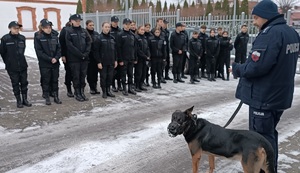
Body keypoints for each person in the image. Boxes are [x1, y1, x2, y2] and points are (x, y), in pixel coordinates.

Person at [231, 1, 300, 172]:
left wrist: (237, 68)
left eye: (255, 18)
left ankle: (265, 170)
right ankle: (271, 168)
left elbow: (257, 67)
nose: (253, 22)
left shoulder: (270, 34)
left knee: (259, 140)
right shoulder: (291, 32)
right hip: (279, 96)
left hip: (264, 97)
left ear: (266, 17)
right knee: (269, 136)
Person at [0, 21, 32, 108]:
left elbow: (22, 50)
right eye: (15, 28)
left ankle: (25, 99)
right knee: (15, 83)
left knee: (24, 82)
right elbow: (2, 52)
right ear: (10, 28)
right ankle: (18, 100)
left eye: (18, 28)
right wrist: (8, 62)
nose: (17, 30)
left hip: (22, 64)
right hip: (12, 66)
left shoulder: (22, 38)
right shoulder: (5, 39)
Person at [34, 19, 62, 105]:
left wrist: (56, 58)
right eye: (46, 27)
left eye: (49, 27)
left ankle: (56, 96)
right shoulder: (39, 37)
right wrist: (50, 59)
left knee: (55, 80)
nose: (48, 29)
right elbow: (39, 52)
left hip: (55, 63)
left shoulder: (54, 36)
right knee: (46, 80)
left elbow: (59, 49)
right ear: (42, 28)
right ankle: (47, 97)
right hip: (45, 63)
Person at [65, 14, 92, 102]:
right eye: (76, 20)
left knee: (82, 76)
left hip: (84, 58)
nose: (78, 22)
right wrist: (80, 54)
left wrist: (86, 53)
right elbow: (69, 45)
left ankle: (82, 92)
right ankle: (77, 93)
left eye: (79, 20)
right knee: (76, 76)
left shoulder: (84, 31)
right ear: (72, 21)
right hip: (74, 59)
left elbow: (89, 42)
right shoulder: (68, 31)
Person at [94, 22, 118, 98]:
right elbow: (96, 51)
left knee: (110, 77)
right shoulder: (99, 38)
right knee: (103, 77)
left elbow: (115, 50)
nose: (107, 28)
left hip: (111, 61)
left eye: (108, 27)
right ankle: (104, 91)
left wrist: (115, 60)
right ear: (102, 27)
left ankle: (108, 90)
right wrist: (98, 62)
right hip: (103, 62)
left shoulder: (112, 38)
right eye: (106, 27)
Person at [117, 18, 137, 96]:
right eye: (126, 24)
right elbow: (118, 48)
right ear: (123, 24)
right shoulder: (120, 34)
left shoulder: (132, 35)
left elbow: (135, 48)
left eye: (129, 24)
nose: (128, 26)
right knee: (123, 74)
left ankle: (130, 88)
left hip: (131, 58)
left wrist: (135, 58)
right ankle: (124, 88)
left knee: (130, 74)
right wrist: (120, 59)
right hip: (124, 59)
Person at [59, 19, 74, 97]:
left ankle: (77, 89)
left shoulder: (78, 30)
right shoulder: (65, 30)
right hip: (67, 55)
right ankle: (69, 89)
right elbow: (61, 43)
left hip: (76, 55)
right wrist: (63, 55)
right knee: (69, 72)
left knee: (76, 73)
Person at [86, 20, 100, 95]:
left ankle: (95, 87)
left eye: (93, 25)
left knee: (95, 73)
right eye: (90, 25)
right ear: (87, 25)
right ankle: (91, 87)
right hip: (88, 57)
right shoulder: (84, 33)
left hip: (96, 56)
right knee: (90, 73)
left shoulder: (96, 34)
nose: (92, 27)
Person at [134, 25, 150, 91]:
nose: (142, 31)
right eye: (141, 29)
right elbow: (137, 49)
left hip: (144, 59)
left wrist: (148, 55)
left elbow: (147, 48)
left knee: (144, 72)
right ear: (138, 30)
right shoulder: (137, 38)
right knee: (138, 73)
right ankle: (136, 85)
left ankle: (141, 84)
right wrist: (144, 56)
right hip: (139, 58)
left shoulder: (145, 38)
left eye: (143, 30)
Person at [110, 16, 122, 92]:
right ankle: (113, 85)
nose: (115, 23)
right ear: (111, 22)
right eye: (114, 22)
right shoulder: (109, 30)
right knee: (113, 71)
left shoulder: (120, 31)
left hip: (119, 52)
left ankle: (119, 85)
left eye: (117, 22)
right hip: (112, 53)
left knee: (120, 71)